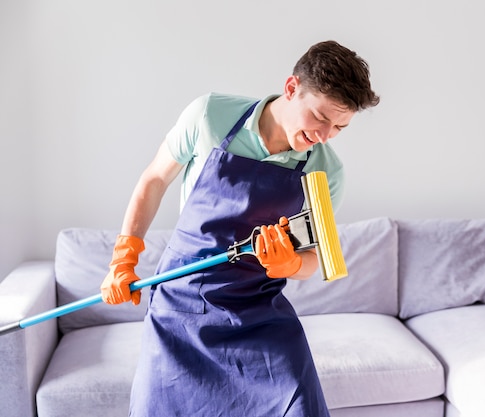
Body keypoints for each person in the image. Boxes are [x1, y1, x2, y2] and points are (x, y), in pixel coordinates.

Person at [100, 40, 379, 417]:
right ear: (292, 88)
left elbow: (318, 257)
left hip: (258, 311)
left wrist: (290, 266)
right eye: (320, 118)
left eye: (340, 127)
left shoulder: (326, 171)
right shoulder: (210, 116)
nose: (326, 135)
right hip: (180, 308)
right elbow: (154, 180)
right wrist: (124, 256)